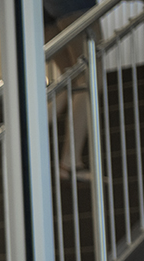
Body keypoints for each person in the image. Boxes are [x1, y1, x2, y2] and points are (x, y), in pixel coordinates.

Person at [42, 0, 101, 182]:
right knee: (90, 78)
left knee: (73, 80)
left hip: (42, 8)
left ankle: (26, 132)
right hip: (73, 3)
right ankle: (70, 163)